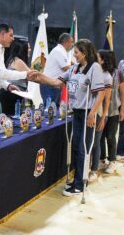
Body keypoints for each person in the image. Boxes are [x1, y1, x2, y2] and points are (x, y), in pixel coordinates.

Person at [31, 39, 105, 196]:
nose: (74, 55)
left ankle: (80, 184)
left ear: (84, 53)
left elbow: (101, 92)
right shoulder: (74, 69)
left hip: (87, 113)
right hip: (76, 113)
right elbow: (56, 81)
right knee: (77, 147)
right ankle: (77, 179)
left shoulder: (94, 68)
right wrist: (37, 76)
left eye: (76, 52)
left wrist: (93, 113)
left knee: (83, 148)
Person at [89, 50, 113, 181]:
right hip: (91, 111)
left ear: (102, 60)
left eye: (97, 57)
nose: (94, 58)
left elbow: (107, 99)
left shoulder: (107, 77)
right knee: (89, 142)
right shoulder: (93, 72)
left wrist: (103, 117)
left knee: (96, 142)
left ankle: (93, 171)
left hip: (100, 113)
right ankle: (89, 166)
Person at [99, 50, 124, 174]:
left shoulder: (118, 73)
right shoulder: (99, 72)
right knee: (100, 137)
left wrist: (122, 110)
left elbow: (122, 93)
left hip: (114, 110)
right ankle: (102, 160)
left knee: (110, 136)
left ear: (105, 59)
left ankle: (112, 161)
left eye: (99, 57)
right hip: (100, 110)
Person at [40, 33, 73, 106]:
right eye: (71, 42)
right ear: (67, 42)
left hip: (53, 86)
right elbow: (66, 68)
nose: (72, 44)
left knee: (53, 112)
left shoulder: (61, 51)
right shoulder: (59, 51)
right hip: (49, 86)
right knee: (50, 111)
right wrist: (80, 69)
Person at [0, 40, 30, 115]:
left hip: (10, 94)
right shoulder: (18, 61)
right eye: (28, 48)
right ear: (23, 50)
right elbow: (32, 75)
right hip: (12, 95)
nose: (30, 50)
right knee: (12, 118)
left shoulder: (13, 59)